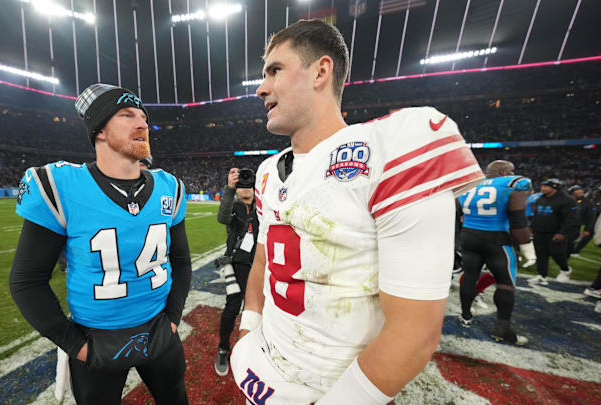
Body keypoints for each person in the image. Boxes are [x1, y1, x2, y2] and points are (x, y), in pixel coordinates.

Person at [230, 19, 484, 404]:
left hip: (337, 390)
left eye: (275, 70)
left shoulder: (389, 148)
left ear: (321, 71)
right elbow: (263, 260)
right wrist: (249, 327)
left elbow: (414, 333)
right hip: (265, 370)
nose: (261, 87)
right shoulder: (268, 172)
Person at [9, 84, 191, 405]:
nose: (142, 123)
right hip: (95, 338)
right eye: (127, 115)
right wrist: (77, 347)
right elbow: (27, 281)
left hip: (160, 328)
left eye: (144, 117)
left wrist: (173, 319)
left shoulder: (169, 187)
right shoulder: (61, 185)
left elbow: (181, 260)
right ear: (100, 131)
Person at [456, 161, 535, 345]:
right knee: (505, 283)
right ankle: (502, 329)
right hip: (496, 238)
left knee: (469, 277)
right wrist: (526, 245)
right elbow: (517, 219)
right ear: (503, 171)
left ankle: (466, 316)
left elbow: (459, 213)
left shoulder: (470, 184)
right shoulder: (515, 183)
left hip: (468, 235)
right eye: (511, 171)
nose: (513, 173)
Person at [214, 167, 259, 376]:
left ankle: (258, 348)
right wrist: (230, 189)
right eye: (241, 184)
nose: (245, 187)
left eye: (248, 183)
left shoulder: (263, 207)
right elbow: (222, 218)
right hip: (237, 264)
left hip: (259, 264)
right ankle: (223, 348)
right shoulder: (233, 207)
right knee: (232, 307)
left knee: (262, 308)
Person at [528, 178, 576, 284]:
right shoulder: (540, 199)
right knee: (541, 254)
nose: (542, 188)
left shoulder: (566, 200)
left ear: (554, 187)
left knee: (557, 253)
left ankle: (565, 270)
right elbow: (537, 214)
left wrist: (562, 233)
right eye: (542, 186)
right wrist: (531, 227)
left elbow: (570, 218)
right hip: (539, 231)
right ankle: (542, 275)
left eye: (546, 186)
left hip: (555, 232)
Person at [567, 185, 595, 256]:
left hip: (575, 226)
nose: (580, 191)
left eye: (580, 189)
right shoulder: (566, 199)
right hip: (562, 224)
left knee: (570, 242)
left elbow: (590, 217)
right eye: (577, 190)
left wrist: (587, 229)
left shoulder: (587, 202)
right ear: (572, 192)